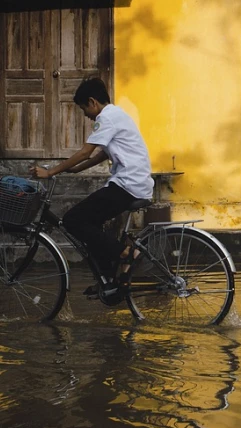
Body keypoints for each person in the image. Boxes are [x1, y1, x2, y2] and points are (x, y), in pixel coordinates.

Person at [30, 78, 153, 288]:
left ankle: (127, 253)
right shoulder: (117, 114)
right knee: (91, 224)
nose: (85, 115)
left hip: (128, 184)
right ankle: (108, 280)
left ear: (92, 102)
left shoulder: (106, 118)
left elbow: (87, 151)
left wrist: (50, 172)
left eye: (83, 109)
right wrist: (75, 169)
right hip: (134, 182)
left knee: (72, 220)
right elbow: (102, 154)